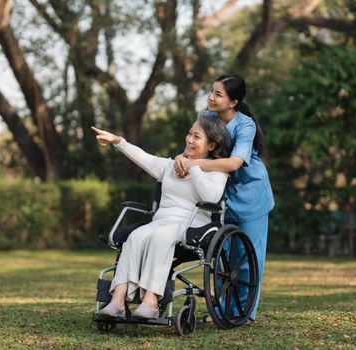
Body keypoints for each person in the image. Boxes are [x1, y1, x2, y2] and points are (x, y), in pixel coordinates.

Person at [92, 114, 231, 319]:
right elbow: (143, 157)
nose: (190, 140)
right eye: (189, 134)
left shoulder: (217, 170)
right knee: (136, 236)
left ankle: (151, 301)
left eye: (197, 137)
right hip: (162, 220)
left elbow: (211, 196)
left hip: (194, 223)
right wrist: (118, 141)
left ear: (211, 145)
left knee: (162, 237)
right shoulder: (169, 167)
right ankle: (118, 301)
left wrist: (194, 167)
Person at [174, 74, 275, 322]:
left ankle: (243, 313)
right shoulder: (206, 117)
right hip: (223, 197)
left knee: (247, 259)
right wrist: (181, 157)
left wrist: (194, 164)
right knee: (224, 256)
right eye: (211, 91)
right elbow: (195, 145)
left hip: (251, 195)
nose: (211, 97)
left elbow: (234, 163)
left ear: (233, 102)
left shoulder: (245, 125)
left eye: (218, 94)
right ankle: (221, 310)